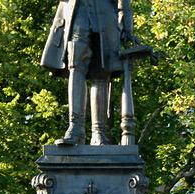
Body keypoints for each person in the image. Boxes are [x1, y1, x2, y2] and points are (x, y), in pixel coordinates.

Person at [40, 0, 133, 145]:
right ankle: (75, 129)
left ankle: (99, 133)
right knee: (76, 67)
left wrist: (127, 25)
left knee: (102, 72)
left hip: (106, 13)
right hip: (78, 11)